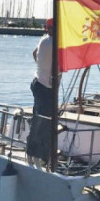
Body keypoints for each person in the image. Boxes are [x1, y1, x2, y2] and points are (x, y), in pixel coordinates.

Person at [27, 19, 57, 164]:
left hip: (39, 82)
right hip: (45, 87)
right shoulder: (54, 44)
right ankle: (36, 155)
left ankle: (37, 154)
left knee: (40, 120)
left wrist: (42, 65)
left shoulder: (44, 40)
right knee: (43, 121)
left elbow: (34, 53)